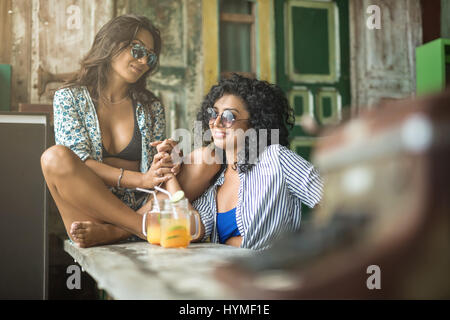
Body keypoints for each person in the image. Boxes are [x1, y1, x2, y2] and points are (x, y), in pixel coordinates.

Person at [40, 14, 182, 247]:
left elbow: (156, 176)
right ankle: (140, 227)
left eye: (151, 56)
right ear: (111, 44)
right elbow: (80, 162)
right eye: (137, 50)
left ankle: (116, 231)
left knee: (200, 162)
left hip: (142, 204)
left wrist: (167, 158)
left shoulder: (151, 107)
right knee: (54, 157)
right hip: (88, 212)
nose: (144, 61)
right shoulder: (69, 97)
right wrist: (142, 179)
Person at [165, 74, 324, 250]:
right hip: (229, 275)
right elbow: (191, 231)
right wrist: (169, 174)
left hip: (276, 274)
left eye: (229, 116)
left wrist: (302, 250)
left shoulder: (276, 159)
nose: (216, 123)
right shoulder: (215, 177)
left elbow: (337, 203)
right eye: (213, 113)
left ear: (255, 122)